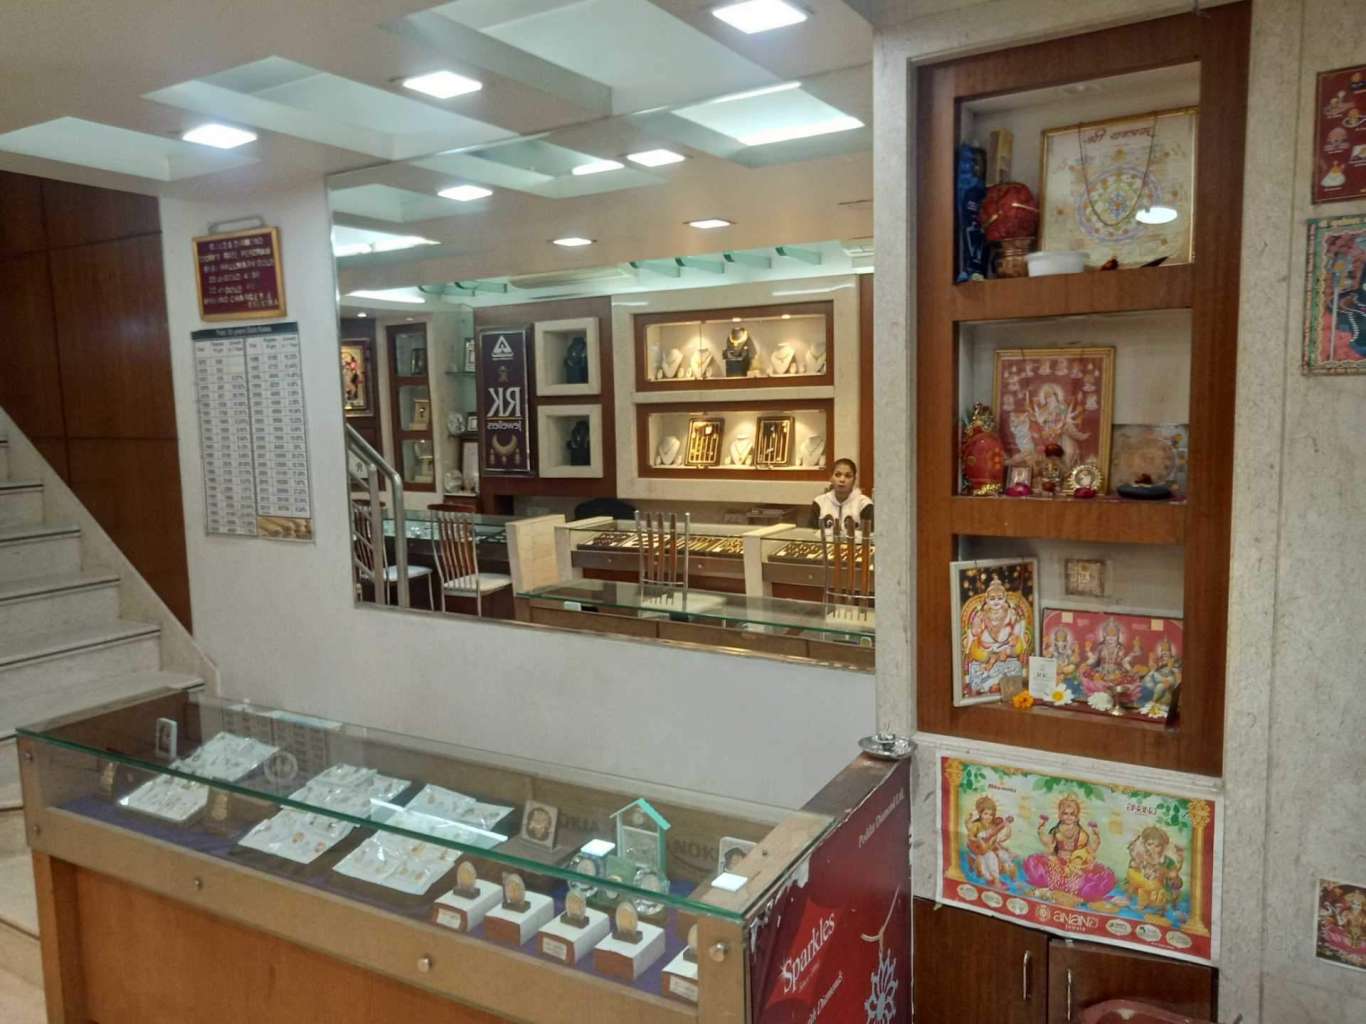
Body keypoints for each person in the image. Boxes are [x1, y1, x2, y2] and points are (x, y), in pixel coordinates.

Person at [809, 458, 873, 533]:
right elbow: (811, 534)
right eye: (838, 475)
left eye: (848, 476)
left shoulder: (865, 504)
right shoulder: (819, 502)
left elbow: (872, 535)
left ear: (854, 479)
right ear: (831, 478)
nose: (842, 480)